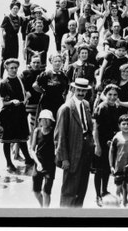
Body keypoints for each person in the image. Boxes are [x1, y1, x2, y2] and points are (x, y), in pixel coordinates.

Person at [54, 78, 95, 208]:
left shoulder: (86, 105)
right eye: (79, 90)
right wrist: (64, 158)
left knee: (82, 187)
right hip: (72, 153)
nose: (81, 93)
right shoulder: (66, 108)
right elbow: (59, 136)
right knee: (69, 188)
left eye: (84, 90)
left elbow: (89, 128)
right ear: (73, 89)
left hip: (86, 150)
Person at [0, 58, 35, 173]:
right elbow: (3, 102)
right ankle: (9, 163)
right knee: (7, 140)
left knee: (22, 137)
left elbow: (26, 94)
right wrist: (11, 102)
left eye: (15, 68)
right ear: (6, 69)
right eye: (11, 68)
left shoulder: (20, 80)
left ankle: (28, 159)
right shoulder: (4, 83)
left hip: (20, 112)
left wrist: (27, 96)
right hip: (8, 114)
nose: (14, 70)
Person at [30, 109, 57, 207]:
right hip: (38, 164)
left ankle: (46, 211)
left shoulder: (54, 132)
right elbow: (32, 150)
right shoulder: (37, 131)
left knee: (47, 192)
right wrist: (38, 163)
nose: (45, 121)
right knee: (36, 191)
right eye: (43, 119)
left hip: (50, 165)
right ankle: (43, 208)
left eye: (47, 119)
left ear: (51, 121)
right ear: (39, 120)